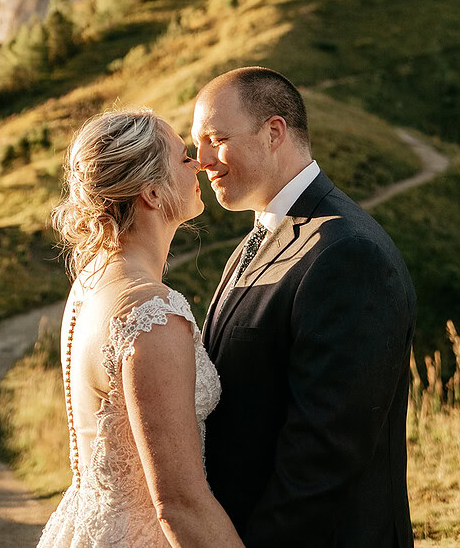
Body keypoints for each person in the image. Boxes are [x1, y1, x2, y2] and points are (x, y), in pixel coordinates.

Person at [192, 67, 417, 548]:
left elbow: (327, 449)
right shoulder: (263, 234)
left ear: (274, 132)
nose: (202, 160)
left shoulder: (347, 253)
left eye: (215, 138)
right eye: (197, 144)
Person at [37, 108, 245, 548]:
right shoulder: (151, 313)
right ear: (151, 191)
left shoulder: (90, 282)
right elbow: (180, 505)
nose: (201, 166)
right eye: (184, 158)